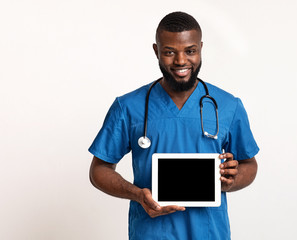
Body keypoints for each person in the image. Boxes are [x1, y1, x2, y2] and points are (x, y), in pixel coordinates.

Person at [89, 11, 259, 240]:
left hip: (209, 233)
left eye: (190, 51)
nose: (181, 61)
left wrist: (230, 181)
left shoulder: (228, 105)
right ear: (156, 51)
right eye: (170, 52)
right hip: (151, 232)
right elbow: (99, 170)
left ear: (200, 48)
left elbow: (249, 164)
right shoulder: (128, 107)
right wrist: (138, 195)